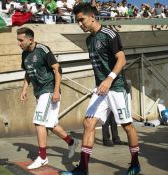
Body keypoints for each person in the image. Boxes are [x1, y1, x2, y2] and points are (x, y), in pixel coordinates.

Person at [60, 3, 140, 175]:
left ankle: (135, 163)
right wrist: (102, 83)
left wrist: (109, 79)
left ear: (92, 17)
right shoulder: (89, 40)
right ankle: (83, 168)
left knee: (127, 126)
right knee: (88, 123)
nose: (80, 23)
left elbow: (121, 59)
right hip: (101, 89)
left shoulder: (109, 34)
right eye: (77, 21)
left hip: (116, 87)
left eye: (81, 19)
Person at [17, 27, 79, 170]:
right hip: (39, 92)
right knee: (50, 124)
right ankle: (71, 142)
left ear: (30, 39)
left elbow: (58, 69)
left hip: (49, 90)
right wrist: (24, 89)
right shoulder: (24, 54)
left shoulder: (43, 50)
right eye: (18, 40)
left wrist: (56, 91)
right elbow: (28, 72)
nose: (19, 43)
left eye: (21, 40)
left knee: (39, 122)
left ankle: (43, 157)